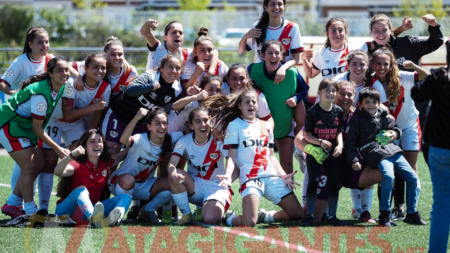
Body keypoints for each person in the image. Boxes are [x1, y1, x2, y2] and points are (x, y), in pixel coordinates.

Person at [205, 89, 303, 227]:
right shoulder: (234, 125)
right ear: (240, 106)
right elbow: (231, 156)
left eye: (254, 101)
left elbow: (271, 156)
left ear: (258, 105)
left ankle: (268, 216)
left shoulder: (267, 126)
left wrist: (283, 175)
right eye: (247, 102)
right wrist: (228, 175)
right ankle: (229, 218)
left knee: (297, 214)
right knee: (249, 222)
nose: (251, 104)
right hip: (251, 179)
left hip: (271, 177)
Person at [295, 81, 384, 225]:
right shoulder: (321, 112)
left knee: (386, 172)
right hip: (327, 168)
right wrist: (312, 149)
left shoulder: (359, 115)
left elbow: (379, 111)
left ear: (354, 97)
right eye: (342, 93)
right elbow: (299, 139)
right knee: (309, 218)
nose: (345, 97)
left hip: (352, 168)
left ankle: (373, 212)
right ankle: (270, 216)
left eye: (349, 94)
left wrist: (392, 128)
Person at [345, 87, 427, 227]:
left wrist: (394, 133)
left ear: (379, 102)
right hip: (374, 153)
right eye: (367, 102)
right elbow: (350, 143)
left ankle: (412, 213)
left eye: (375, 101)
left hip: (392, 150)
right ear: (360, 104)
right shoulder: (356, 119)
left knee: (412, 178)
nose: (372, 105)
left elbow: (397, 130)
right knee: (388, 177)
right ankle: (384, 214)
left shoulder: (384, 114)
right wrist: (354, 159)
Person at [0, 57, 69, 217]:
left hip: (22, 126)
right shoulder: (41, 93)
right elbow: (37, 129)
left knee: (39, 163)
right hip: (9, 125)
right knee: (30, 167)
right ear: (50, 73)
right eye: (60, 70)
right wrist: (58, 148)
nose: (65, 73)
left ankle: (12, 204)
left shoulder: (58, 87)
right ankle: (31, 211)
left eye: (66, 70)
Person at [372, 48, 428, 219]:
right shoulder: (370, 81)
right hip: (386, 131)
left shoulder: (404, 76)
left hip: (409, 126)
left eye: (386, 64)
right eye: (378, 64)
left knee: (410, 169)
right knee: (388, 171)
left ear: (392, 65)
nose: (382, 67)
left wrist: (414, 67)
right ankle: (385, 211)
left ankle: (408, 209)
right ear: (372, 64)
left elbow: (426, 76)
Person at [101, 54, 183, 166]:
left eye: (178, 68)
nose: (174, 70)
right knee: (111, 152)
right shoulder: (151, 76)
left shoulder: (177, 90)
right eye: (170, 66)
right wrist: (150, 86)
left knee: (138, 153)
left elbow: (167, 111)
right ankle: (105, 182)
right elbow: (130, 90)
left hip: (140, 123)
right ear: (161, 68)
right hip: (118, 115)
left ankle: (122, 179)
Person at [411, 40, 450, 252]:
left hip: (441, 149)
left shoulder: (438, 77)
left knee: (442, 205)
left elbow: (417, 93)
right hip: (440, 149)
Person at [248, 40, 309, 174]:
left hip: (284, 124)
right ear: (262, 55)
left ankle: (299, 151)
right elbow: (240, 85)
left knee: (286, 164)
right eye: (269, 53)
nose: (273, 56)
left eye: (277, 53)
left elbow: (304, 89)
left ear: (282, 56)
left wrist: (295, 98)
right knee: (259, 164)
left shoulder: (292, 73)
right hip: (260, 127)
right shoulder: (253, 70)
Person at [167, 108, 233, 225]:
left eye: (206, 120)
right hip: (195, 186)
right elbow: (172, 164)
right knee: (175, 173)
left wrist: (228, 175)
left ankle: (223, 213)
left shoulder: (219, 140)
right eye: (198, 121)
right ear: (191, 126)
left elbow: (231, 159)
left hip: (216, 187)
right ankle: (187, 215)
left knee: (209, 219)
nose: (203, 124)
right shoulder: (184, 141)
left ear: (210, 122)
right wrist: (173, 173)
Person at [54, 129, 131, 227]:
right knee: (81, 190)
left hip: (89, 210)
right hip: (66, 212)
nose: (97, 144)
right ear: (84, 146)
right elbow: (57, 172)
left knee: (126, 196)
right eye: (92, 141)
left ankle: (115, 220)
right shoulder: (77, 165)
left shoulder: (106, 163)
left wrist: (140, 142)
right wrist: (71, 155)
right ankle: (95, 220)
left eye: (100, 141)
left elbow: (122, 155)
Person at [301, 79, 344, 226]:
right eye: (327, 90)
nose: (330, 93)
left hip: (331, 153)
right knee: (314, 180)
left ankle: (332, 215)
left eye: (333, 90)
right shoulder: (313, 112)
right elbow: (306, 135)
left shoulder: (338, 111)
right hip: (316, 152)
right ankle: (309, 215)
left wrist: (340, 145)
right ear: (319, 92)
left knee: (334, 181)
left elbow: (338, 132)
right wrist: (319, 142)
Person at [239, 0, 304, 84]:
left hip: (284, 75)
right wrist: (245, 37)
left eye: (279, 4)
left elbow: (296, 58)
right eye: (272, 4)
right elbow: (241, 50)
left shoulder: (292, 27)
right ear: (266, 8)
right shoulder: (258, 26)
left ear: (284, 6)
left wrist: (283, 68)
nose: (276, 7)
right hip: (261, 76)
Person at [71, 37, 139, 97]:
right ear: (105, 55)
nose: (117, 58)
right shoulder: (96, 66)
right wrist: (77, 75)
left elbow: (139, 92)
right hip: (98, 107)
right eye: (113, 54)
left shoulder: (130, 71)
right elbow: (66, 65)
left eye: (120, 54)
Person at [71, 53, 111, 130]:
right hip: (67, 121)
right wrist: (77, 75)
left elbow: (97, 115)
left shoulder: (106, 87)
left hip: (88, 119)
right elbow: (68, 116)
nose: (100, 71)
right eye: (95, 67)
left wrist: (90, 134)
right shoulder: (73, 83)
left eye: (103, 68)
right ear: (86, 69)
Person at [180, 27, 224, 91]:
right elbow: (186, 90)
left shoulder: (220, 65)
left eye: (209, 50)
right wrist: (196, 73)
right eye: (202, 50)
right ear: (195, 52)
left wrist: (211, 71)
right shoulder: (189, 65)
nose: (207, 54)